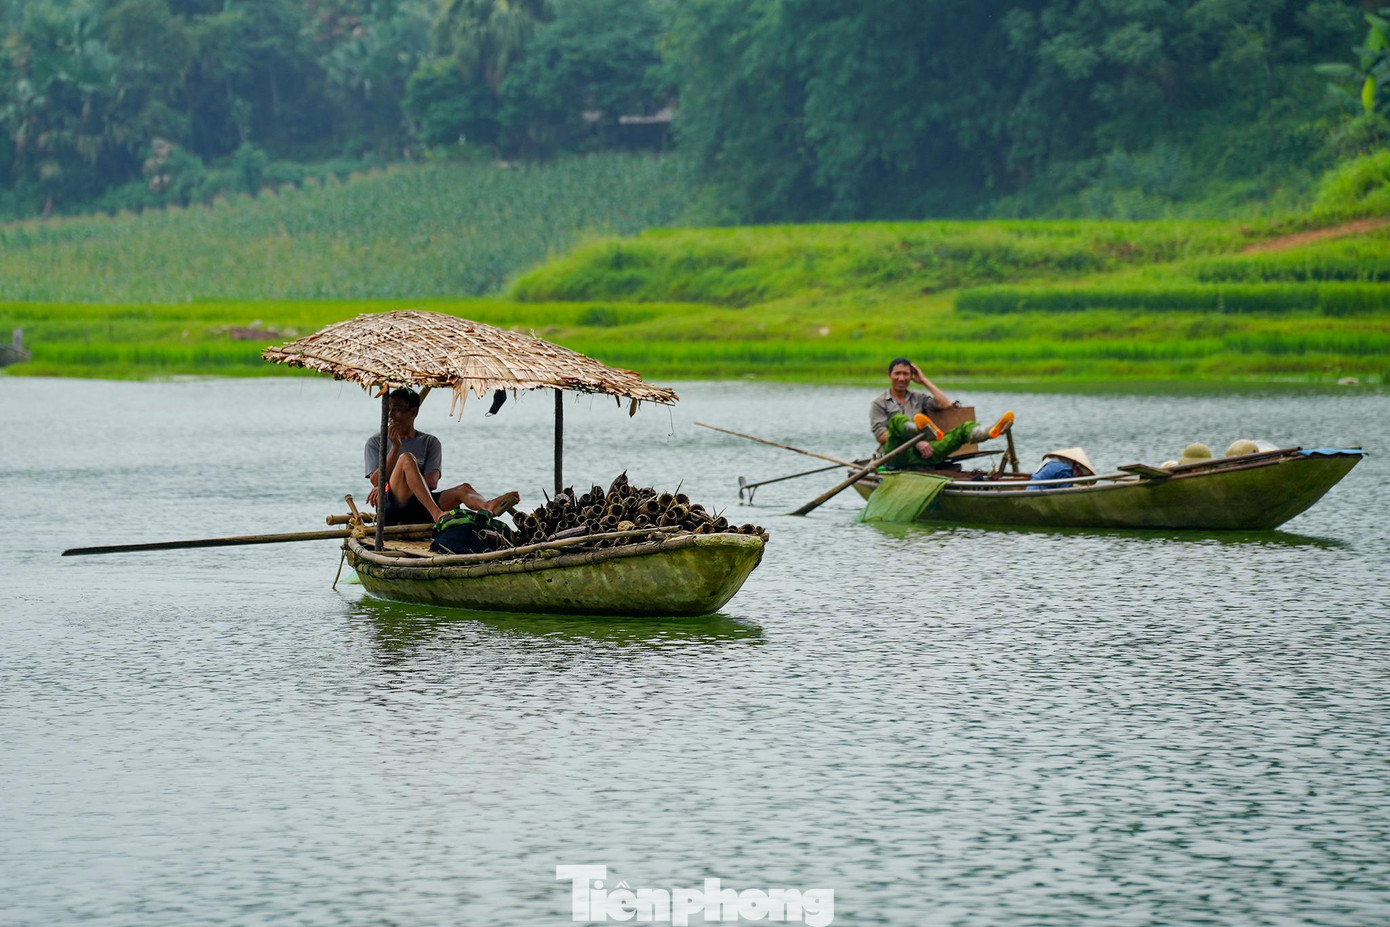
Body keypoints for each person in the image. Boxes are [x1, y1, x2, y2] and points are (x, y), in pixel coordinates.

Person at [364, 387, 519, 526]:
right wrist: (395, 447)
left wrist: (412, 480)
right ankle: (436, 514)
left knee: (464, 489)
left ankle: (487, 505)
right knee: (406, 459)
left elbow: (432, 482)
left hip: (422, 503)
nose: (391, 415)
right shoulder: (376, 442)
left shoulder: (429, 442)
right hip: (393, 506)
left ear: (413, 412)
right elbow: (376, 480)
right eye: (389, 410)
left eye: (397, 410)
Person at [870, 358, 1015, 469]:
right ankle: (918, 429)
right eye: (897, 374)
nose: (901, 378)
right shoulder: (880, 402)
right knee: (897, 421)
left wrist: (924, 380)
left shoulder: (918, 397)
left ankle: (990, 431)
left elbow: (945, 404)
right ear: (889, 375)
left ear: (911, 376)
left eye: (906, 374)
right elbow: (881, 436)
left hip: (925, 453)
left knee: (963, 429)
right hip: (896, 456)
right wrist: (916, 442)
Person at [1027, 448, 1095, 490]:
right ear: (1075, 466)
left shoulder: (1050, 464)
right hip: (1038, 495)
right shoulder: (1065, 470)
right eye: (1079, 471)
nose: (1078, 474)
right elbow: (1065, 495)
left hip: (1030, 490)